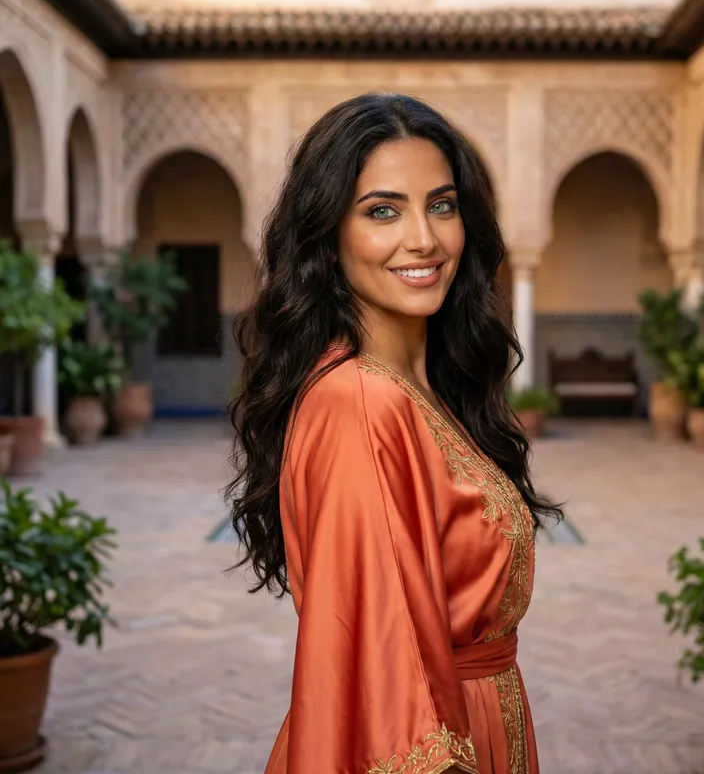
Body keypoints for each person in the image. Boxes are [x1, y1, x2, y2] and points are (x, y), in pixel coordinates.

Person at [227, 92, 561, 774]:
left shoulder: (421, 389)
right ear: (328, 235)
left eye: (441, 204)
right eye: (383, 210)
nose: (425, 239)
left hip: (485, 721)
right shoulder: (359, 402)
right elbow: (386, 674)